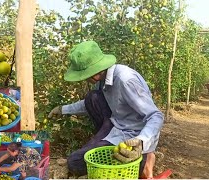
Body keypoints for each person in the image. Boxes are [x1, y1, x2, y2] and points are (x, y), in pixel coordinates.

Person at [48, 40, 166, 178]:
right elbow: (88, 105)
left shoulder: (125, 80)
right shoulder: (103, 79)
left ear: (95, 73)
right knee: (92, 98)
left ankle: (145, 158)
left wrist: (141, 142)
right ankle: (104, 143)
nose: (84, 79)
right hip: (115, 125)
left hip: (133, 136)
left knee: (75, 163)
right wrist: (62, 109)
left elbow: (156, 116)